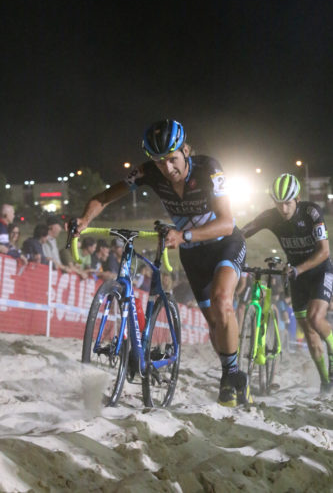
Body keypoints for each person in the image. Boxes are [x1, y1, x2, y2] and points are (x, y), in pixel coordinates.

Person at [72, 118, 249, 407]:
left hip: (224, 244)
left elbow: (227, 223)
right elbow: (103, 197)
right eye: (159, 162)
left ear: (186, 150)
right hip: (191, 251)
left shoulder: (209, 169)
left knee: (222, 301)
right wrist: (83, 220)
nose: (168, 169)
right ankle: (230, 367)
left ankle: (231, 376)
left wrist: (184, 234)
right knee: (215, 326)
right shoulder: (148, 173)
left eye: (172, 159)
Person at [242, 173, 333, 392]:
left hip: (320, 271)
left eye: (288, 203)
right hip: (296, 277)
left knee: (315, 317)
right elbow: (241, 233)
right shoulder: (270, 217)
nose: (283, 209)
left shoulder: (311, 212)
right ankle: (325, 383)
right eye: (278, 203)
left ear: (297, 198)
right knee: (310, 336)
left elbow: (324, 251)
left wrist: (298, 269)